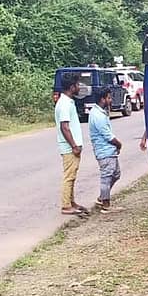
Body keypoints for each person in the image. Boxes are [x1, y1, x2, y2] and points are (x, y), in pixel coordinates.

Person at [88, 86, 125, 214]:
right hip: (104, 152)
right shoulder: (98, 116)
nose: (110, 100)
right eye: (109, 97)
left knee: (116, 174)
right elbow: (108, 136)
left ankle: (102, 197)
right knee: (107, 176)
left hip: (109, 151)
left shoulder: (100, 112)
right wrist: (119, 144)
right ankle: (105, 205)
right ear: (102, 99)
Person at [56, 73, 87, 217]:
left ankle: (71, 202)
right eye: (78, 84)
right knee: (69, 176)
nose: (79, 87)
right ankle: (66, 205)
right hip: (69, 147)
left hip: (72, 146)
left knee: (72, 175)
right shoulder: (63, 104)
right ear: (71, 86)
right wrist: (74, 145)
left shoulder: (68, 102)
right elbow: (64, 127)